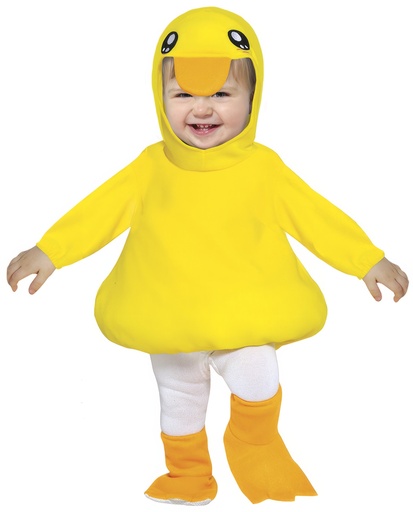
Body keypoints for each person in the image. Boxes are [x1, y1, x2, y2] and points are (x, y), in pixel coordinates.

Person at [6, 6, 408, 507]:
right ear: (159, 97)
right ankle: (188, 475)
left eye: (221, 94)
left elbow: (316, 217)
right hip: (168, 315)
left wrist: (367, 260)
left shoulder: (264, 169)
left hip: (244, 312)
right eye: (182, 94)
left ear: (253, 97)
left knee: (259, 373)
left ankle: (254, 442)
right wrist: (50, 250)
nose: (202, 109)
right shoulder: (150, 166)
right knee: (179, 399)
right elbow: (98, 212)